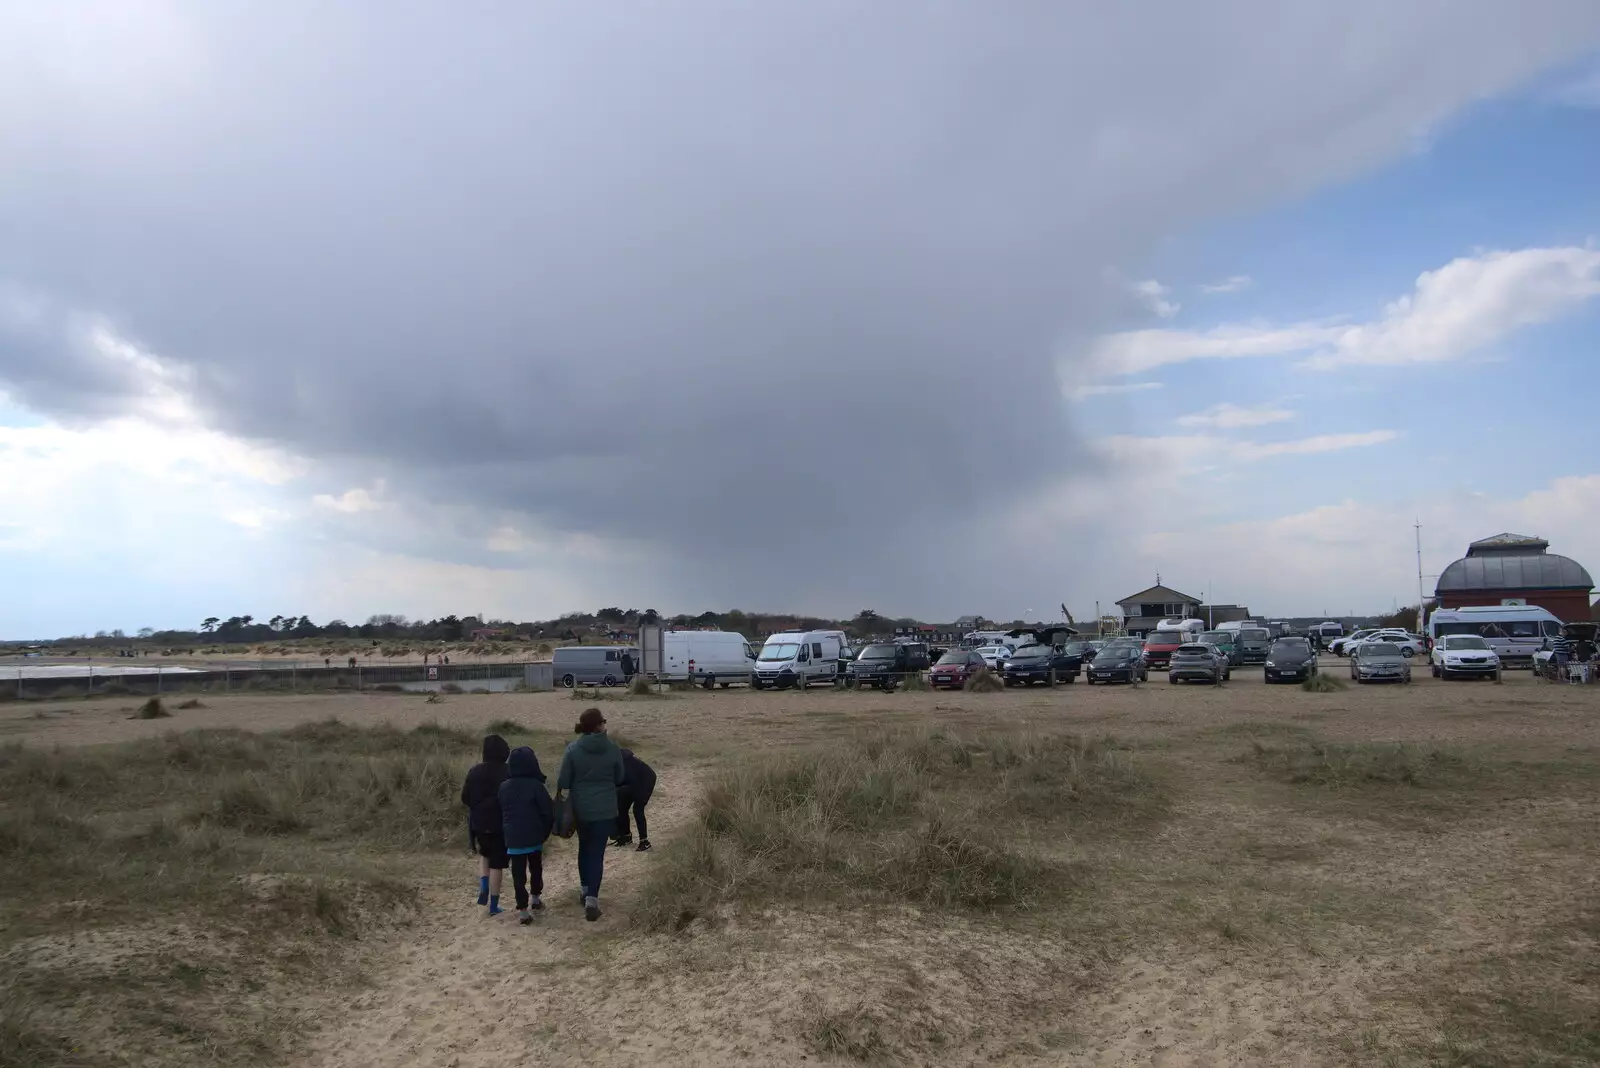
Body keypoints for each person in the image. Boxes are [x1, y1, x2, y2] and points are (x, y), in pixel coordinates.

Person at [557, 708, 624, 922]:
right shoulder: (613, 748)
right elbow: (620, 777)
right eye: (603, 721)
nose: (605, 724)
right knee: (597, 853)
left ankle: (585, 890)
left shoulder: (573, 749)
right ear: (598, 725)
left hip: (582, 809)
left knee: (584, 849)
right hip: (604, 809)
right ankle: (592, 899)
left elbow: (564, 781)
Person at [499, 746, 554, 925]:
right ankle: (536, 899)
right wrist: (545, 832)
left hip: (513, 838)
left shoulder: (504, 787)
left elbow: (502, 811)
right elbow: (548, 812)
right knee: (536, 868)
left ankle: (522, 910)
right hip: (534, 836)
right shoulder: (536, 786)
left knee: (518, 874)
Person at [460, 734, 511, 915]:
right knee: (497, 863)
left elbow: (465, 797)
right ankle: (494, 905)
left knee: (485, 853)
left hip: (479, 822)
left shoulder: (475, 771)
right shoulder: (507, 771)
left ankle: (483, 885)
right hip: (500, 823)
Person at [611, 748, 656, 852]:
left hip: (646, 780)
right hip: (632, 782)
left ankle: (645, 842)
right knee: (622, 808)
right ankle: (626, 837)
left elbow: (622, 782)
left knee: (637, 809)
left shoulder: (622, 765)